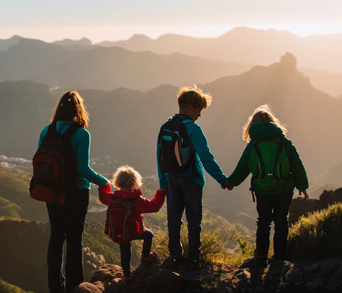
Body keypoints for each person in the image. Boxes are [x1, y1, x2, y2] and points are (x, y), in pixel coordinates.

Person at [38, 90, 109, 293]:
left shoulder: (46, 131)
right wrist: (104, 182)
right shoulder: (81, 134)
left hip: (52, 193)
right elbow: (82, 168)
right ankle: (73, 289)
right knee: (74, 239)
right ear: (79, 110)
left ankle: (54, 289)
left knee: (56, 237)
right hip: (76, 192)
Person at [226, 104, 308, 268]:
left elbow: (243, 167)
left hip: (262, 190)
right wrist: (302, 185)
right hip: (284, 189)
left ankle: (261, 257)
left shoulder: (253, 144)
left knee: (263, 223)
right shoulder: (283, 142)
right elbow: (296, 164)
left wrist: (231, 182)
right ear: (272, 122)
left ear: (252, 125)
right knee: (281, 221)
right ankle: (280, 257)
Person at [157, 86, 230, 268]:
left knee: (173, 220)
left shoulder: (165, 127)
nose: (199, 115)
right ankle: (194, 258)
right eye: (198, 110)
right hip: (192, 180)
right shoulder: (193, 129)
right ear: (189, 108)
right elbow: (206, 157)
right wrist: (222, 179)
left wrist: (162, 183)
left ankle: (174, 256)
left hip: (172, 179)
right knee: (194, 222)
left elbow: (159, 156)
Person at [98, 165, 166, 282]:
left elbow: (103, 197)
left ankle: (126, 276)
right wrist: (162, 192)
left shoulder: (113, 198)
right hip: (135, 231)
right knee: (149, 235)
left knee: (125, 251)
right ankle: (145, 256)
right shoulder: (137, 200)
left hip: (119, 232)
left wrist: (104, 185)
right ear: (135, 183)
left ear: (118, 182)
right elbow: (154, 206)